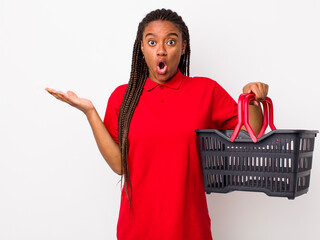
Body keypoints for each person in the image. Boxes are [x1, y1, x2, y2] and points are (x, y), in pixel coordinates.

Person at [46, 8, 268, 240]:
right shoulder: (123, 97)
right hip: (136, 231)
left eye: (171, 42)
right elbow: (119, 166)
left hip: (189, 230)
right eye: (152, 42)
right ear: (141, 47)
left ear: (183, 47)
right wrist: (90, 112)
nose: (161, 50)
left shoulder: (206, 90)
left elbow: (251, 133)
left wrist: (251, 99)